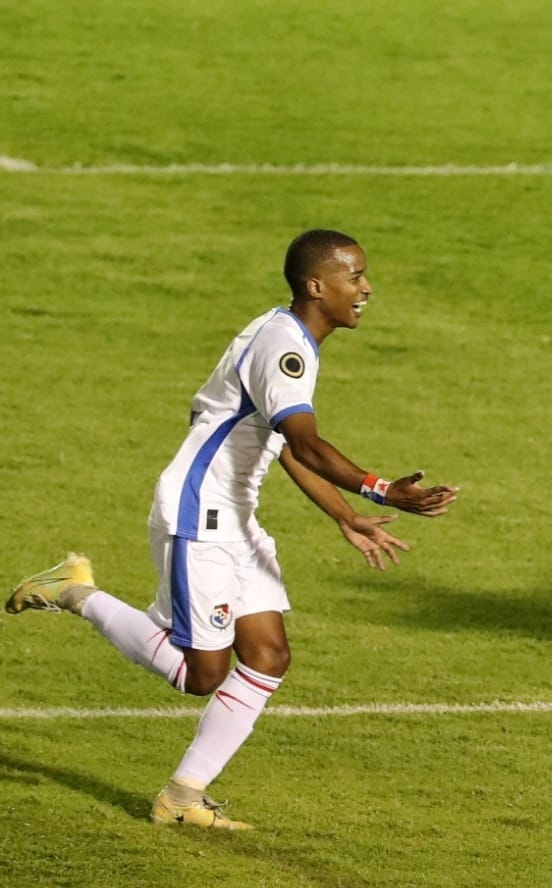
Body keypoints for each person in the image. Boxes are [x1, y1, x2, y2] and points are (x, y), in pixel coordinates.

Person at [6, 229, 460, 827]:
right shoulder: (284, 347)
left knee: (268, 656)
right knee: (203, 675)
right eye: (355, 277)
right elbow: (306, 442)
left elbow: (287, 448)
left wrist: (346, 515)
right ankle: (75, 591)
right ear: (316, 286)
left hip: (235, 517)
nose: (367, 288)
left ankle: (182, 797)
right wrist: (380, 490)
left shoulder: (287, 336)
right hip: (200, 515)